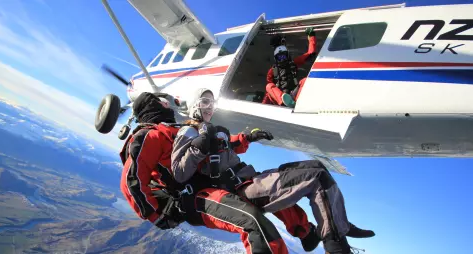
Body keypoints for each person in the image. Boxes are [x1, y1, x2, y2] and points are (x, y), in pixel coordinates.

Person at [171, 89, 375, 254]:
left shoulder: (215, 131)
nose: (210, 108)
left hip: (251, 178)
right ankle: (336, 245)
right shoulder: (188, 132)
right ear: (194, 105)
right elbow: (179, 172)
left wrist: (249, 137)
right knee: (315, 178)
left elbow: (229, 146)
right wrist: (197, 148)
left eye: (212, 104)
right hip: (240, 188)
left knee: (317, 167)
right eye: (205, 102)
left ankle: (338, 227)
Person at [119, 92, 289, 254]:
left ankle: (306, 232)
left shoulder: (177, 129)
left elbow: (216, 145)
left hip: (209, 186)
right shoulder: (149, 136)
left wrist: (245, 138)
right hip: (192, 198)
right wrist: (155, 215)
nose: (167, 103)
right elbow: (131, 180)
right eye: (160, 101)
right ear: (151, 107)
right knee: (252, 221)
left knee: (266, 206)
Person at [262, 27, 316, 108]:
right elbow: (269, 91)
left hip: (293, 95)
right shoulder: (272, 71)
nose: (282, 59)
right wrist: (262, 106)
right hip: (278, 99)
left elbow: (310, 54)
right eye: (279, 57)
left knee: (305, 80)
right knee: (268, 86)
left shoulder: (293, 63)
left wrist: (311, 36)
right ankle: (284, 101)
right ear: (276, 58)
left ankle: (296, 103)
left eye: (284, 56)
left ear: (287, 56)